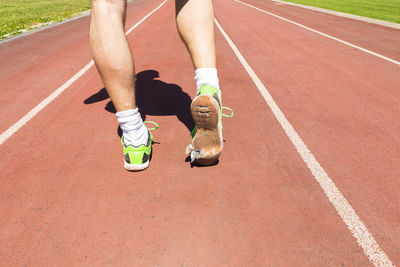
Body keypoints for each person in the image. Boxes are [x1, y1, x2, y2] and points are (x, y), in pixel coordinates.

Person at [90, 0, 224, 171]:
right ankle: (208, 87)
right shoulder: (155, 79)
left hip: (131, 105)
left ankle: (134, 138)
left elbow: (89, 100)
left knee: (107, 5)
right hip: (171, 93)